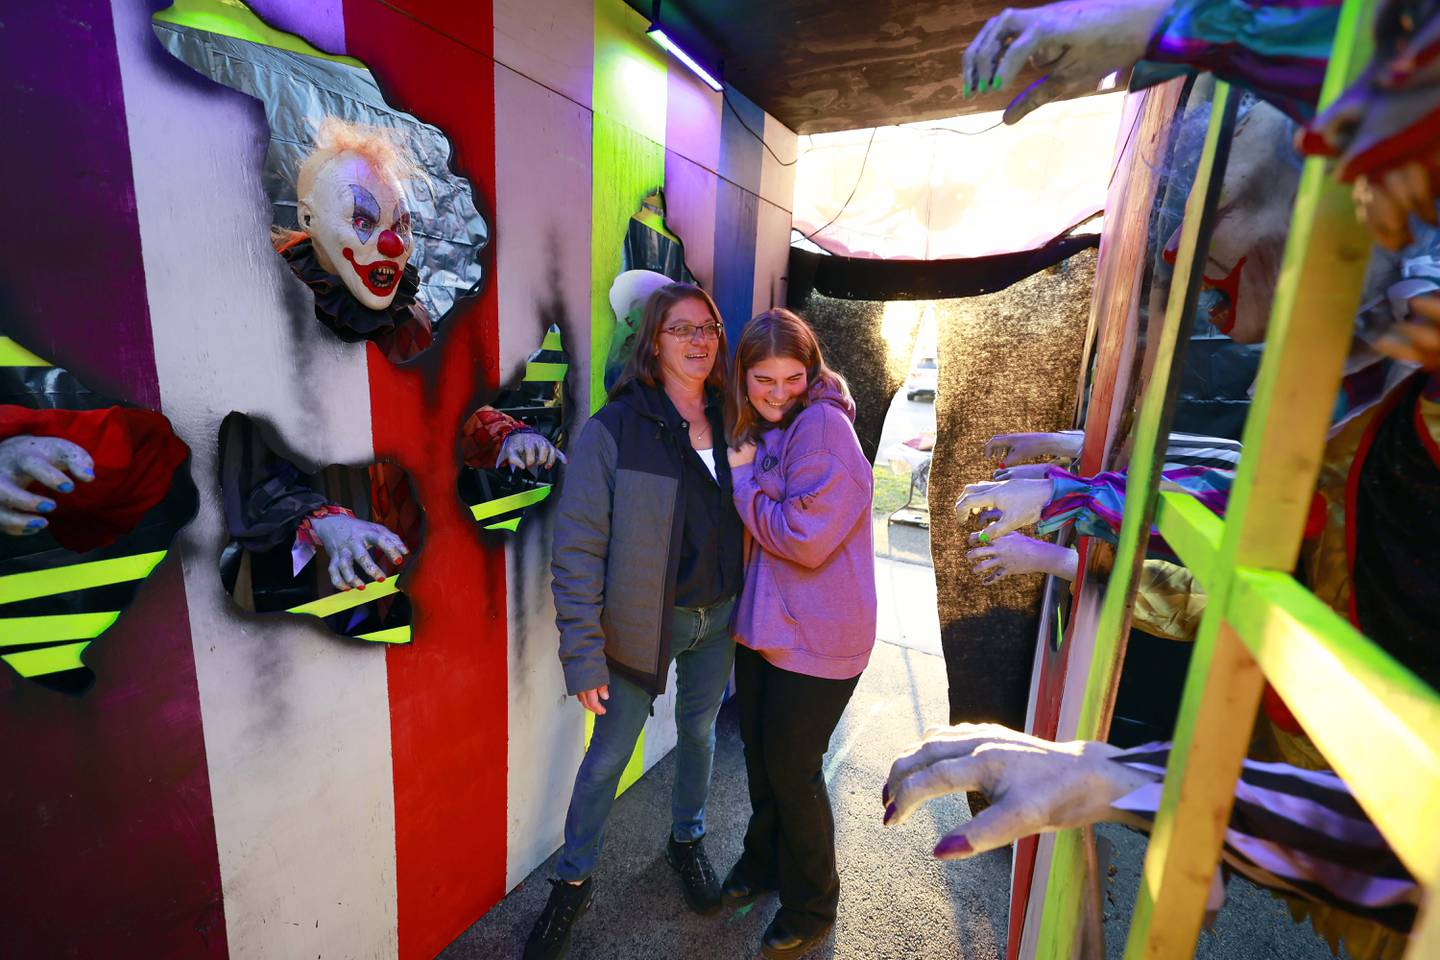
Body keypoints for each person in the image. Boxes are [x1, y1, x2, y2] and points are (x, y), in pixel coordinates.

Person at [526, 283, 744, 960]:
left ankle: (687, 838)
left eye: (708, 327)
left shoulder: (735, 419)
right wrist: (583, 655)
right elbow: (579, 546)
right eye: (683, 329)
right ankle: (572, 881)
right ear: (653, 340)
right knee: (607, 761)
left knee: (701, 734)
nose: (700, 340)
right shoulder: (614, 428)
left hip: (721, 615)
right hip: (641, 624)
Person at [722, 308, 877, 959]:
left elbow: (804, 539)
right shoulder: (771, 425)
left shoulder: (824, 428)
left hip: (821, 636)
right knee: (761, 756)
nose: (779, 391)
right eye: (764, 380)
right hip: (771, 628)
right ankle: (763, 863)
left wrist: (741, 478)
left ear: (809, 373)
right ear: (745, 378)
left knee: (792, 767)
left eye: (791, 378)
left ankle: (812, 902)